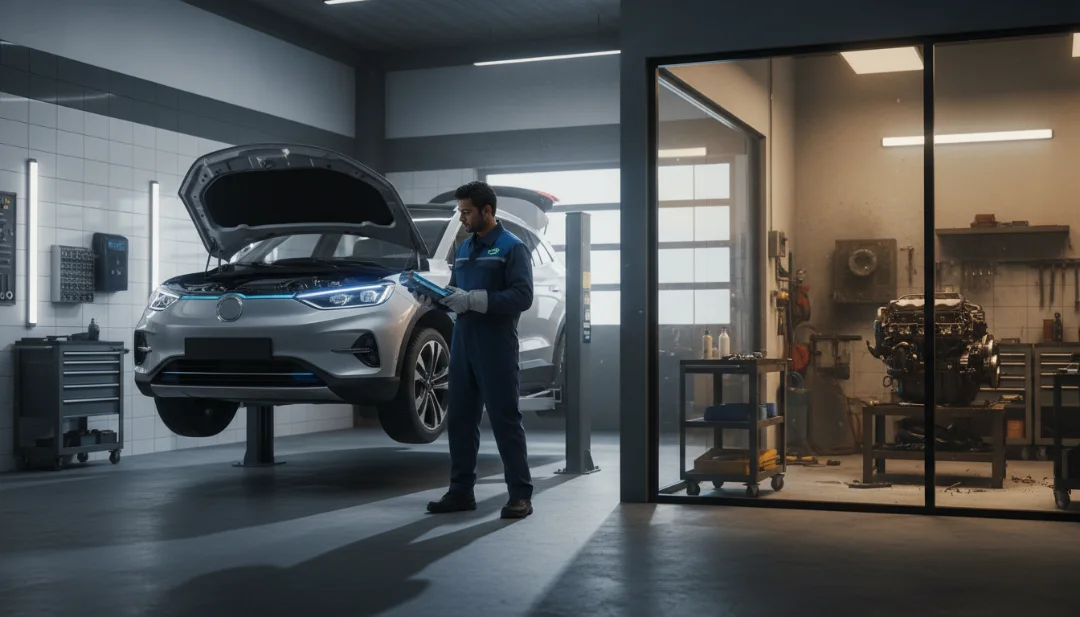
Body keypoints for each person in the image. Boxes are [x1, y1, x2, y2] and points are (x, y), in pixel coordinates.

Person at [410, 181, 536, 519]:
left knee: (505, 420)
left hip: (496, 345)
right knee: (461, 421)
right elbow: (458, 292)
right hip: (463, 342)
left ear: (487, 211)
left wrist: (474, 300)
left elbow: (523, 296)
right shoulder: (465, 248)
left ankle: (520, 496)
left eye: (466, 212)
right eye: (460, 211)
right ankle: (461, 491)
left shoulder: (512, 248)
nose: (462, 217)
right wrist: (436, 298)